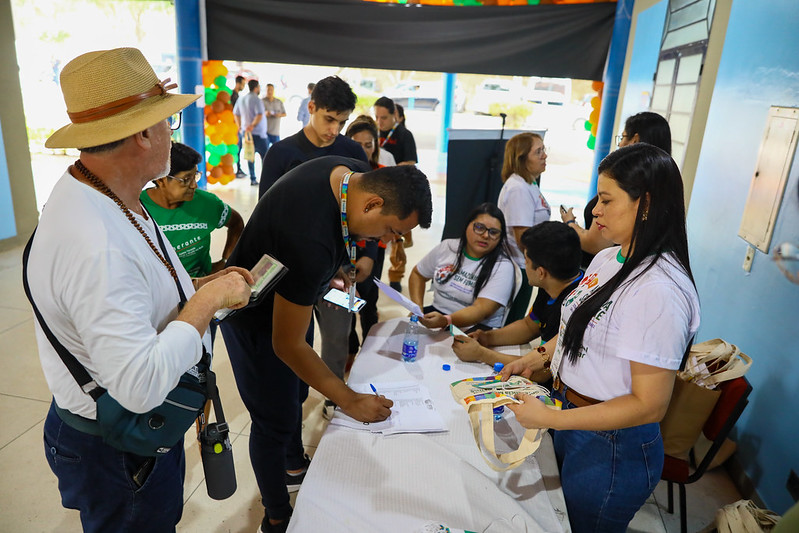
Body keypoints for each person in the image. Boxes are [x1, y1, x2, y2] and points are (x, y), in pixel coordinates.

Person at [30, 47, 253, 532]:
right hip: (116, 445)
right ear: (144, 133)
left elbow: (133, 287)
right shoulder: (95, 243)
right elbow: (138, 386)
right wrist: (207, 302)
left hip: (111, 433)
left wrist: (195, 284)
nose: (172, 135)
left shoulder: (104, 190)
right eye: (168, 124)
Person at [220, 158, 433, 532]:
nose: (384, 242)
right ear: (372, 204)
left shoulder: (347, 173)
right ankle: (276, 514)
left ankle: (293, 461)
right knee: (273, 420)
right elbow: (285, 344)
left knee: (297, 391)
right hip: (254, 319)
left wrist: (328, 271)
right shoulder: (308, 238)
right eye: (389, 230)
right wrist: (349, 401)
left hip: (289, 299)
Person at [501, 143, 700, 532]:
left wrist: (550, 417)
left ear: (645, 204)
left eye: (606, 200)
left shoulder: (658, 290)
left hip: (610, 447)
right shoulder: (609, 258)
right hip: (572, 419)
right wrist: (541, 356)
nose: (594, 211)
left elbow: (648, 405)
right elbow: (579, 324)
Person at [452, 221, 583, 380]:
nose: (525, 265)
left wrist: (482, 354)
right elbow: (529, 325)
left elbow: (543, 372)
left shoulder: (575, 306)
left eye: (526, 261)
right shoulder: (555, 283)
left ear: (541, 273)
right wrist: (487, 337)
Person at [561, 111, 672, 267]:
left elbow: (596, 244)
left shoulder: (651, 284)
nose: (596, 211)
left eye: (606, 200)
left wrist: (570, 223)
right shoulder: (665, 184)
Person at [140, 142, 244, 278]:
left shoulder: (207, 203)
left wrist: (225, 261)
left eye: (195, 176)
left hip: (203, 288)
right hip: (159, 294)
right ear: (161, 179)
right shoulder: (136, 208)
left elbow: (236, 223)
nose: (194, 185)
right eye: (186, 179)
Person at [409, 203, 516, 331]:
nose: (486, 235)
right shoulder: (448, 247)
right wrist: (417, 307)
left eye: (493, 232)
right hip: (438, 314)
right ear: (467, 226)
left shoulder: (503, 267)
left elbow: (481, 310)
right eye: (479, 227)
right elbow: (418, 274)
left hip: (477, 328)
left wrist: (446, 321)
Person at [258, 76, 366, 194]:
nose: (335, 131)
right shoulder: (279, 154)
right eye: (329, 119)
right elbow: (266, 210)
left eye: (342, 122)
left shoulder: (354, 153)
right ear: (311, 107)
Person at [344, 117, 391, 362]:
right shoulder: (340, 175)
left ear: (376, 145)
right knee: (346, 301)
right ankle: (350, 350)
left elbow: (388, 219)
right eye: (357, 144)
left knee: (368, 299)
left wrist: (371, 253)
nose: (364, 150)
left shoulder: (382, 175)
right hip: (344, 248)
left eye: (369, 144)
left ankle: (370, 353)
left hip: (375, 248)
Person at [497, 132, 550, 323]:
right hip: (519, 268)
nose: (544, 155)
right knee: (511, 321)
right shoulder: (518, 188)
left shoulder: (528, 183)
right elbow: (523, 238)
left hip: (525, 265)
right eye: (538, 152)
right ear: (521, 158)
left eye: (544, 150)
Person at [375, 96, 417, 293]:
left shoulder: (404, 135)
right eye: (377, 117)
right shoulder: (373, 133)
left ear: (395, 115)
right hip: (376, 195)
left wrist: (391, 169)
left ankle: (395, 276)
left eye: (383, 117)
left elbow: (410, 164)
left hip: (399, 196)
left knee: (397, 243)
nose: (380, 122)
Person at [232, 79, 266, 186]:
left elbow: (236, 114)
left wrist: (240, 126)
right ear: (256, 88)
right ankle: (265, 179)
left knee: (250, 155)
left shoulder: (241, 99)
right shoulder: (256, 99)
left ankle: (253, 179)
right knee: (265, 156)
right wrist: (252, 125)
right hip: (258, 133)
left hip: (246, 133)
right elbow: (259, 114)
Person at [231, 75, 248, 178]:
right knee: (238, 148)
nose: (244, 86)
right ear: (238, 83)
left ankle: (238, 168)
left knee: (239, 148)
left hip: (236, 127)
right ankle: (238, 169)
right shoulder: (234, 96)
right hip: (235, 127)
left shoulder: (236, 95)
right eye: (243, 84)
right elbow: (236, 113)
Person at [262, 83, 286, 152]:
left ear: (273, 91)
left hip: (276, 132)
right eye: (268, 90)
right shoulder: (261, 101)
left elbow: (284, 114)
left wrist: (279, 115)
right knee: (265, 153)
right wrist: (264, 113)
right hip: (265, 132)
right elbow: (256, 114)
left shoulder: (279, 102)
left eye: (271, 90)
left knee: (277, 152)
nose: (269, 91)